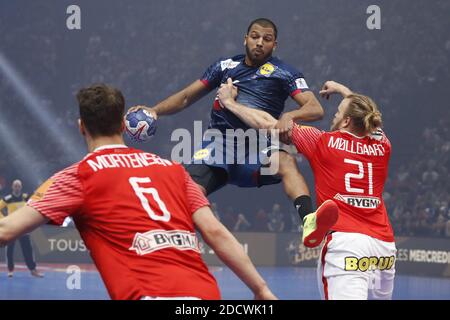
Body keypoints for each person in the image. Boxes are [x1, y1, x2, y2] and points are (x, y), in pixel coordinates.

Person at [0, 84, 276, 300]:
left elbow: (6, 232)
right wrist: (261, 289)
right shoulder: (174, 170)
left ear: (81, 126)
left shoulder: (78, 176)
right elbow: (215, 232)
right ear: (123, 125)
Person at [130, 18, 337, 247]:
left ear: (274, 45)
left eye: (267, 39)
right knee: (187, 192)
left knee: (286, 162)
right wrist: (155, 110)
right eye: (255, 36)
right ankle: (164, 241)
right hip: (218, 147)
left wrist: (290, 116)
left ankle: (309, 221)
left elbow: (315, 108)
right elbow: (188, 96)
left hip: (257, 149)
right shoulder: (224, 66)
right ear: (245, 39)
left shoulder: (284, 73)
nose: (259, 43)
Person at [217, 79, 396, 300]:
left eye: (338, 112)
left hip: (347, 246)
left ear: (347, 121)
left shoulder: (322, 142)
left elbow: (267, 124)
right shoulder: (382, 144)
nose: (334, 115)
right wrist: (342, 90)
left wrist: (230, 103)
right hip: (384, 248)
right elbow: (365, 111)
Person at [0, 180, 44, 278]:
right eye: (15, 186)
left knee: (27, 249)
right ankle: (10, 270)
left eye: (18, 186)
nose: (17, 187)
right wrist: (4, 219)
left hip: (23, 228)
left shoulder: (25, 197)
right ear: (12, 187)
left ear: (21, 187)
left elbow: (35, 203)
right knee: (9, 250)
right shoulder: (8, 199)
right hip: (11, 228)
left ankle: (33, 270)